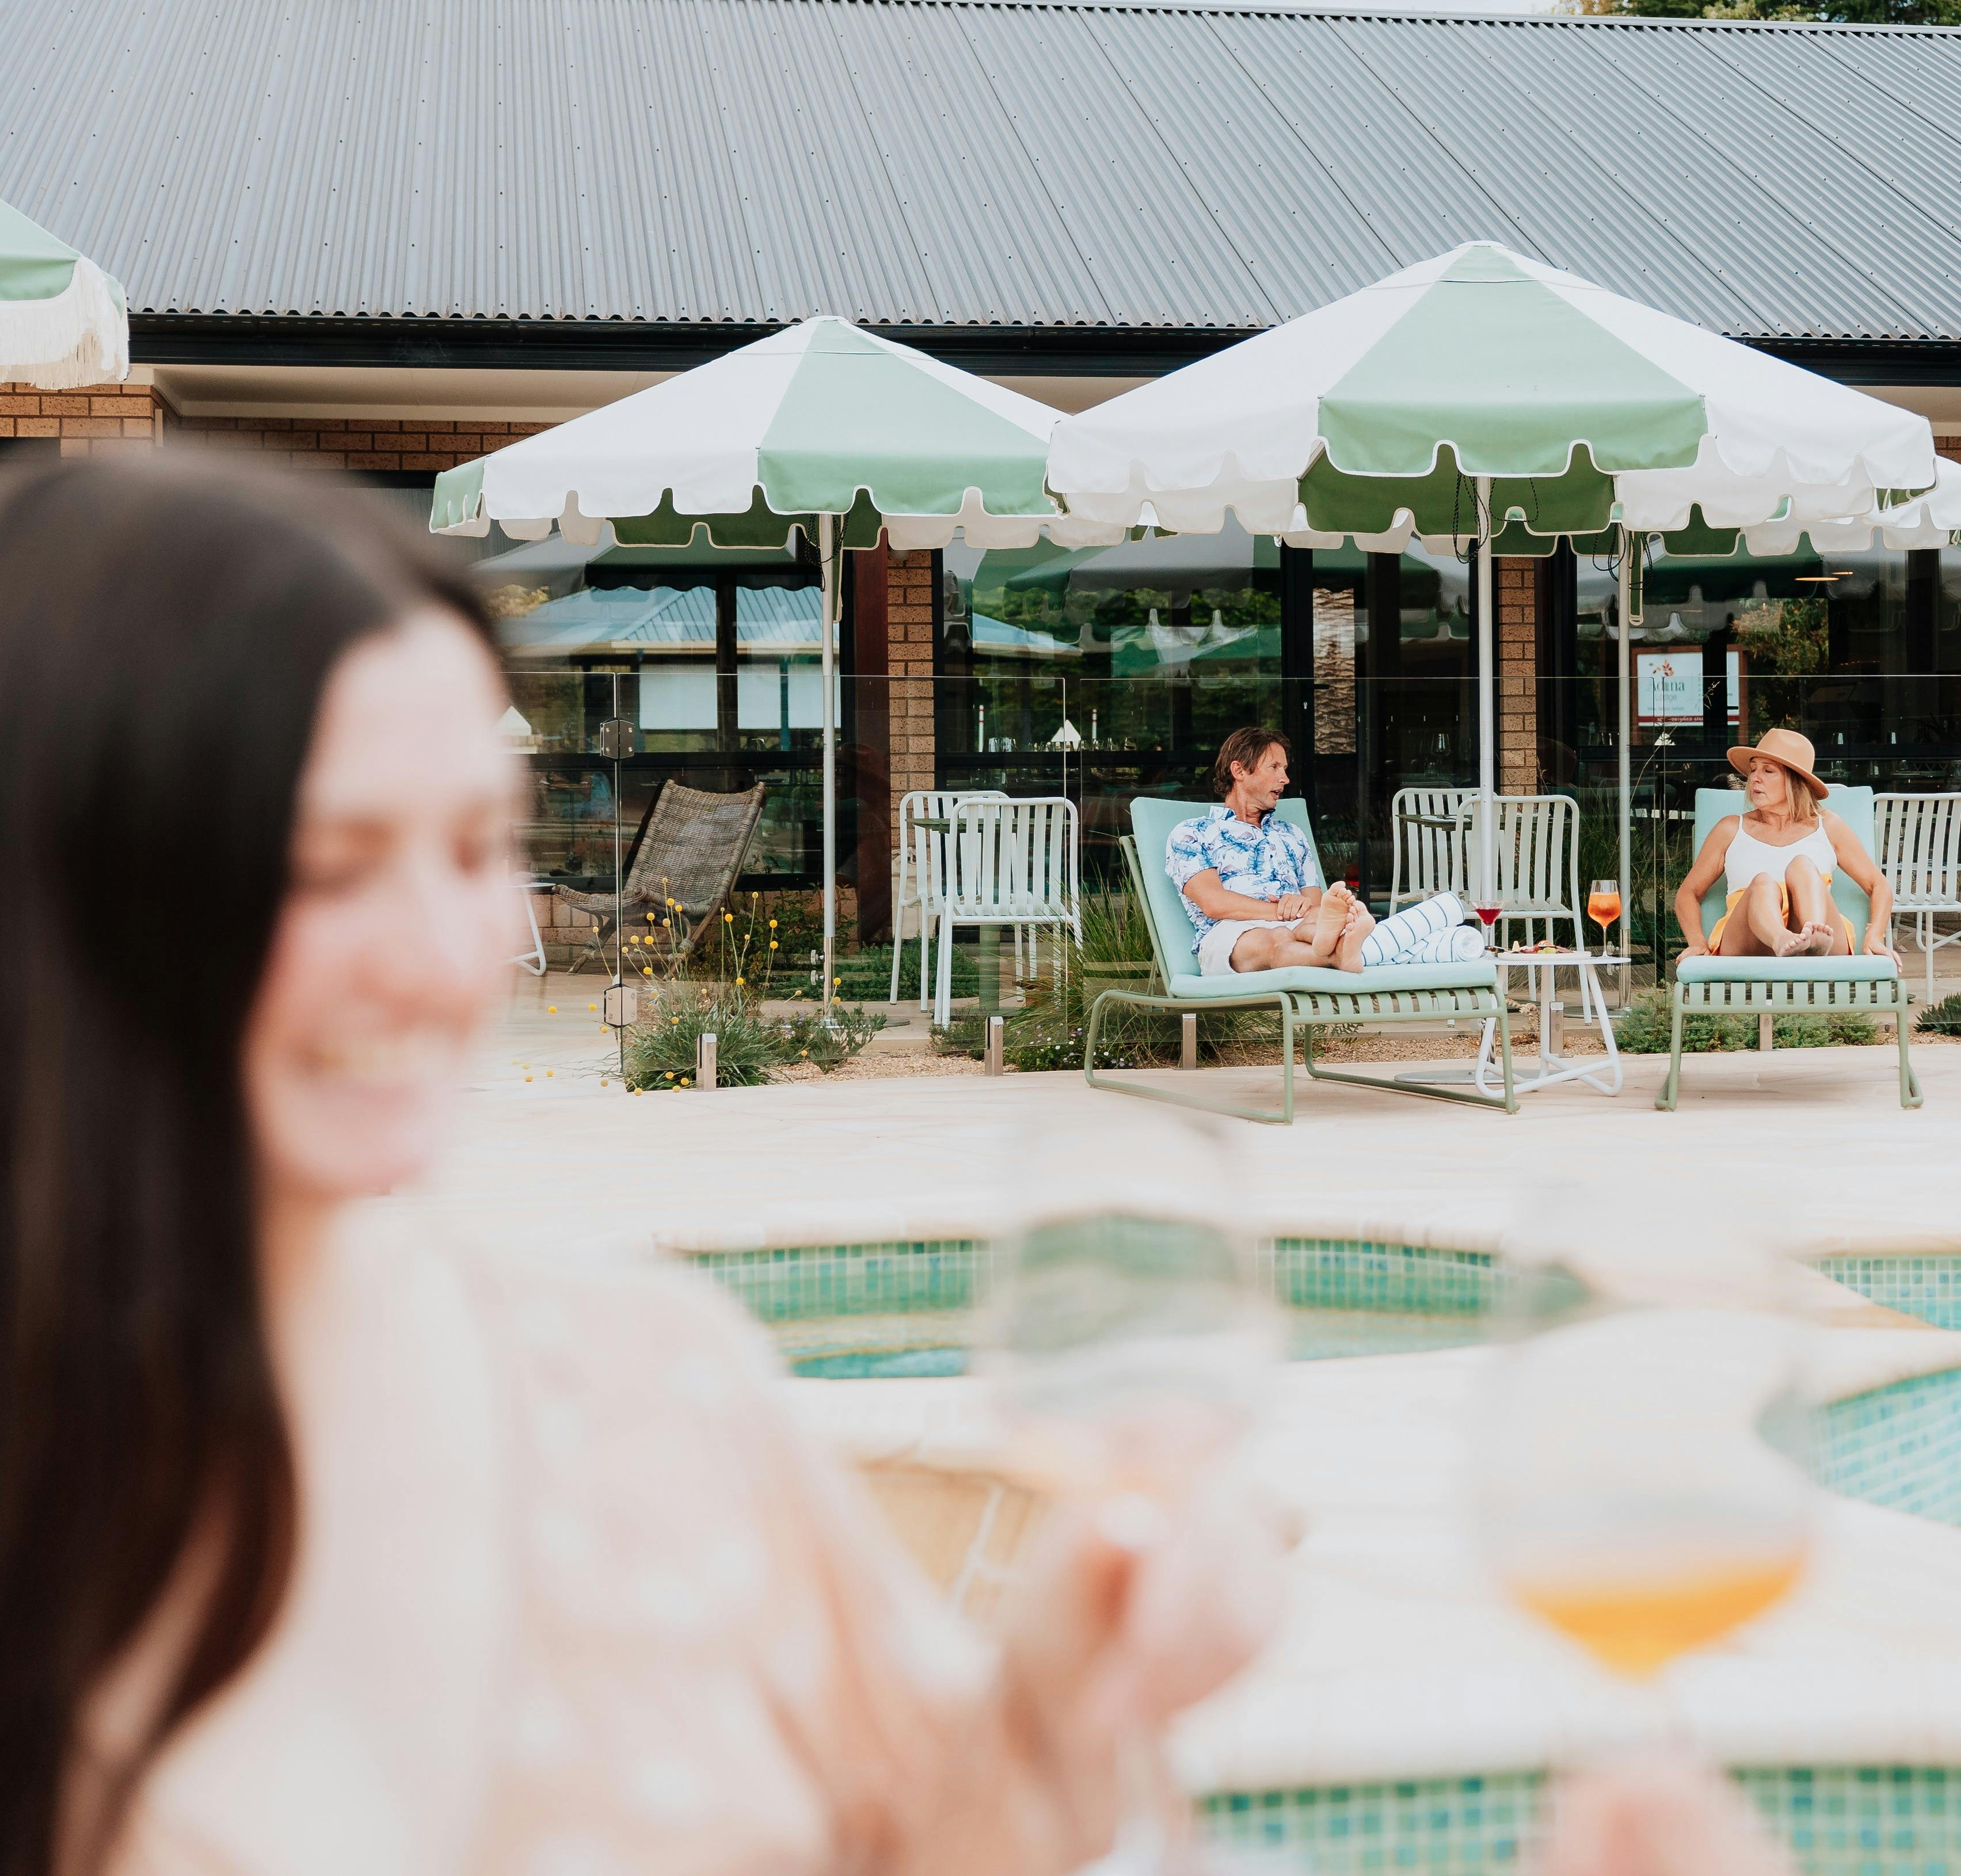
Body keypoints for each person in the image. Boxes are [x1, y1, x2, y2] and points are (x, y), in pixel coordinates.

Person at [0, 452, 1277, 1876]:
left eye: (479, 846)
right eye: (334, 865)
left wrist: (1059, 1702)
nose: (451, 955)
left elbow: (937, 1832)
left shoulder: (658, 1396)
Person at [1164, 727, 1374, 977]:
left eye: (1285, 769)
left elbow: (1317, 904)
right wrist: (1281, 912)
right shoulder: (1193, 833)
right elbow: (1214, 903)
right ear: (1239, 770)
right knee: (1278, 938)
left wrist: (1301, 905)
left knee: (1313, 922)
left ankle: (1335, 943)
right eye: (1274, 767)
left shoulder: (1291, 834)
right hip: (1229, 935)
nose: (1285, 779)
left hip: (1299, 924)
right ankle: (1340, 953)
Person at [1671, 728, 1890, 965]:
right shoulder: (1730, 829)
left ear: (1795, 782)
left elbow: (1878, 885)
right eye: (1754, 769)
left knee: (1802, 866)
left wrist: (1875, 936)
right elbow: (1688, 893)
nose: (1755, 778)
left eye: (1769, 771)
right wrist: (1697, 942)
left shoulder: (1829, 825)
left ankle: (1813, 937)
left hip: (1819, 931)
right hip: (1750, 938)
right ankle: (1780, 940)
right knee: (1763, 883)